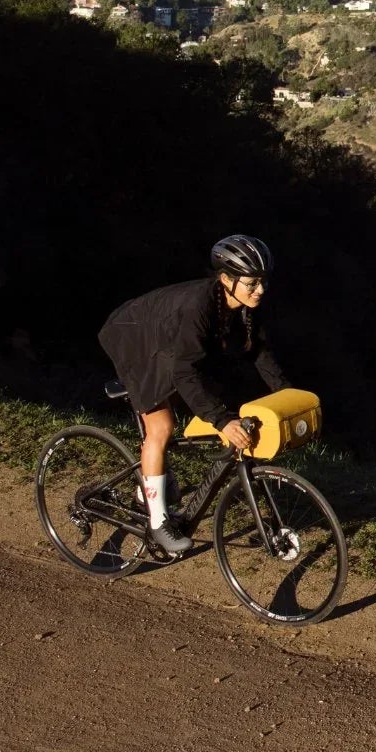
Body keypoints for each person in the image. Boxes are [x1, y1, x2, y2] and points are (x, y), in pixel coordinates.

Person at [97, 234, 287, 557]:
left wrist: (286, 393)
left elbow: (258, 352)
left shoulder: (242, 307)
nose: (261, 290)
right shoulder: (199, 307)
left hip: (168, 340)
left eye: (263, 282)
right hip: (135, 339)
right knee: (161, 427)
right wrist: (222, 420)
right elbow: (183, 373)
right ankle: (158, 523)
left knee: (209, 395)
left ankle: (150, 488)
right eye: (253, 283)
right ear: (227, 279)